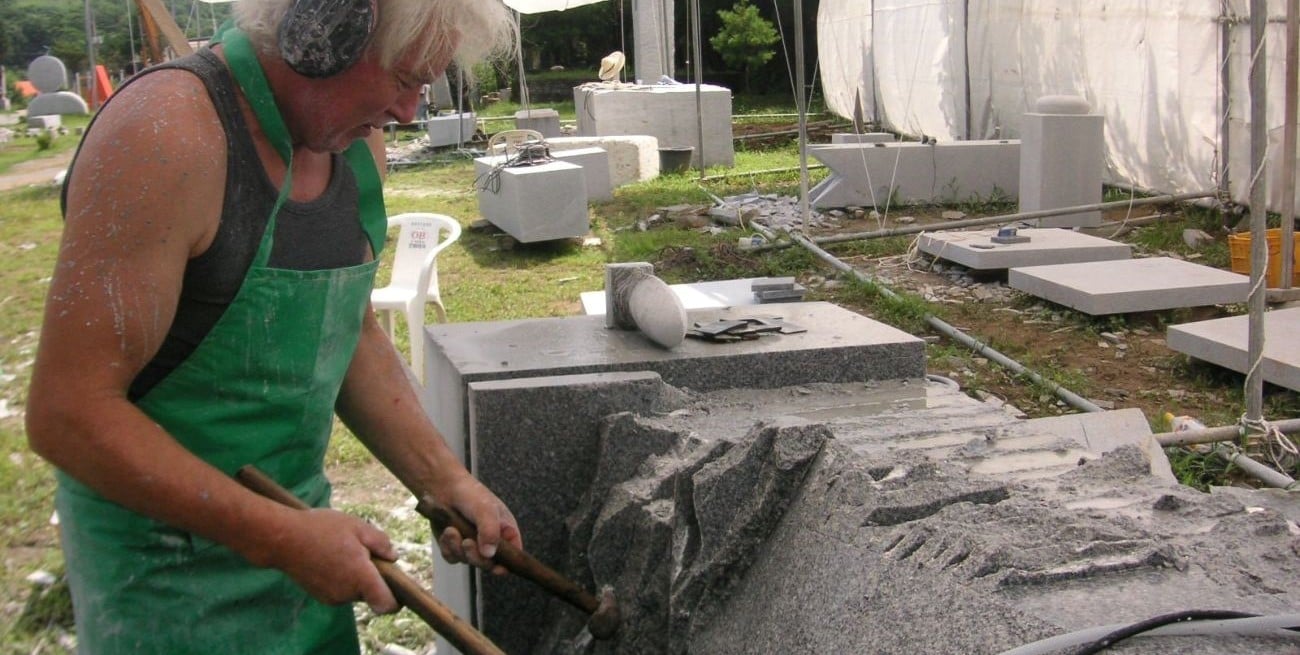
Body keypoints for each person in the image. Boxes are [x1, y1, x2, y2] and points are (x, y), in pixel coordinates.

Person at [25, 1, 517, 653]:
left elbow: (353, 335)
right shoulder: (166, 135)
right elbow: (68, 412)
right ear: (322, 35)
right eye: (404, 80)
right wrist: (276, 535)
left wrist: (444, 478)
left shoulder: (357, 146)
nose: (408, 113)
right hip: (166, 593)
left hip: (306, 568)